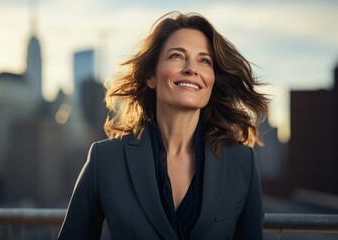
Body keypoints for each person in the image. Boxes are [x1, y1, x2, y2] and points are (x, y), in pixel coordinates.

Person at [58, 11, 269, 240]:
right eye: (177, 56)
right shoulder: (106, 159)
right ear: (151, 76)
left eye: (204, 60)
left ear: (212, 80)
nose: (191, 68)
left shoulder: (242, 164)